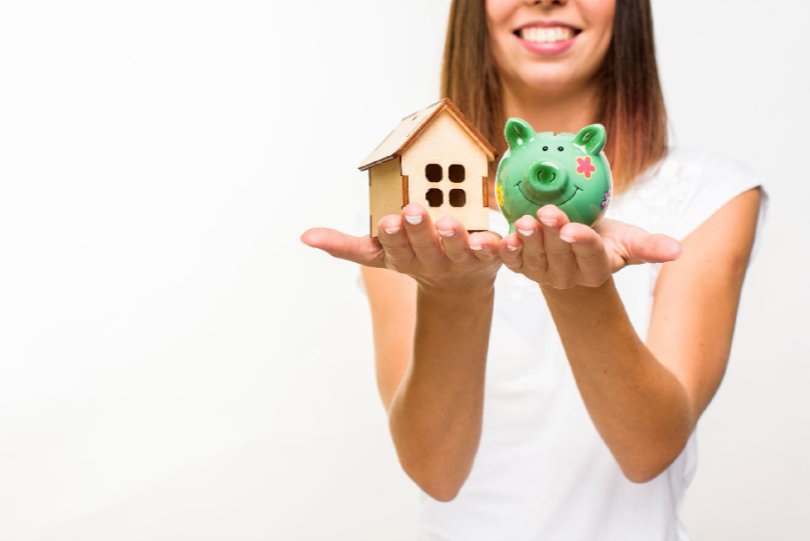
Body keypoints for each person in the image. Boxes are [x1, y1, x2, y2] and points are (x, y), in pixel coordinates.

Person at [301, 0, 766, 539]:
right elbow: (436, 471)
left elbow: (648, 452)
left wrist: (580, 287)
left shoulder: (713, 197)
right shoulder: (416, 215)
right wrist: (453, 292)